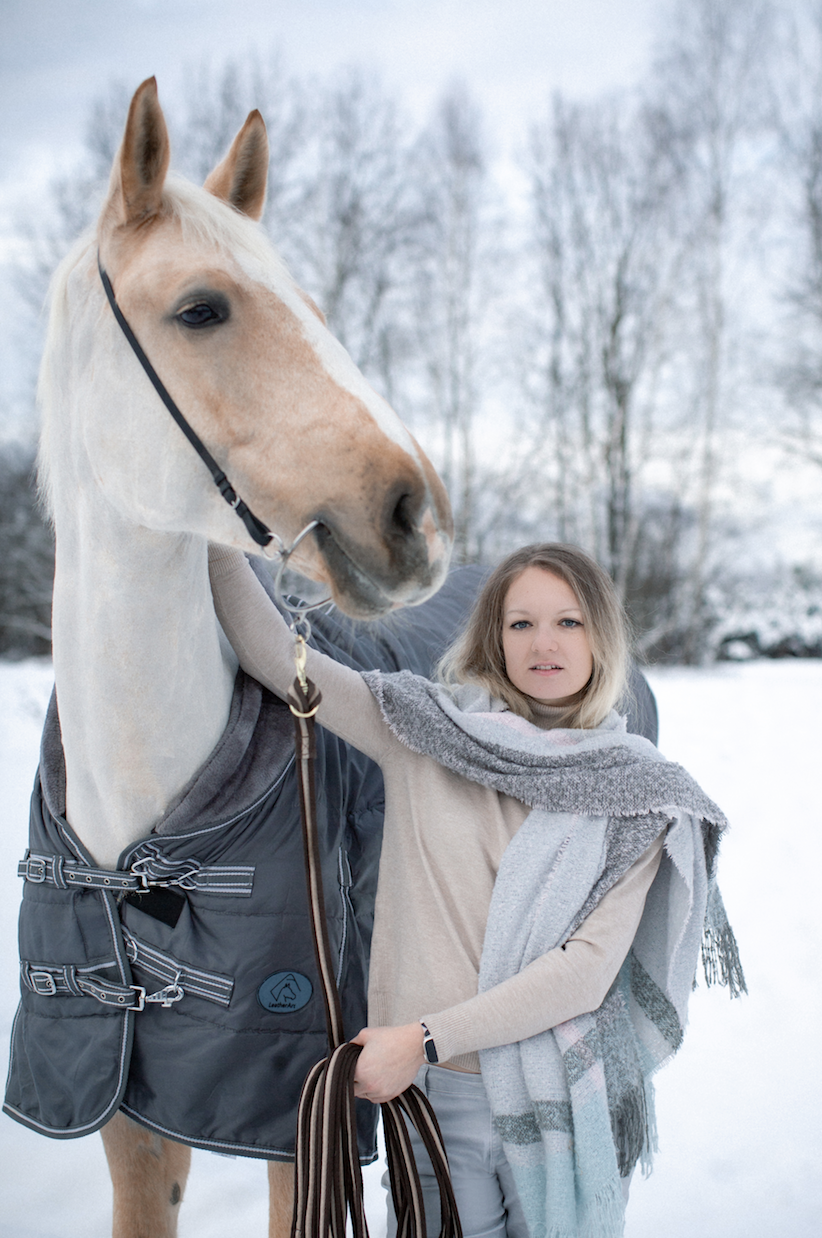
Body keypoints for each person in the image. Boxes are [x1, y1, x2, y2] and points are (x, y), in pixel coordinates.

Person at [208, 541, 741, 1238]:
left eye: (568, 622)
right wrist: (212, 533)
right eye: (520, 623)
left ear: (601, 638)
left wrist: (425, 1038)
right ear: (493, 634)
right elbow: (276, 656)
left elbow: (583, 973)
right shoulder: (422, 733)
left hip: (566, 1104)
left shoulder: (637, 792)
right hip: (438, 1105)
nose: (543, 643)